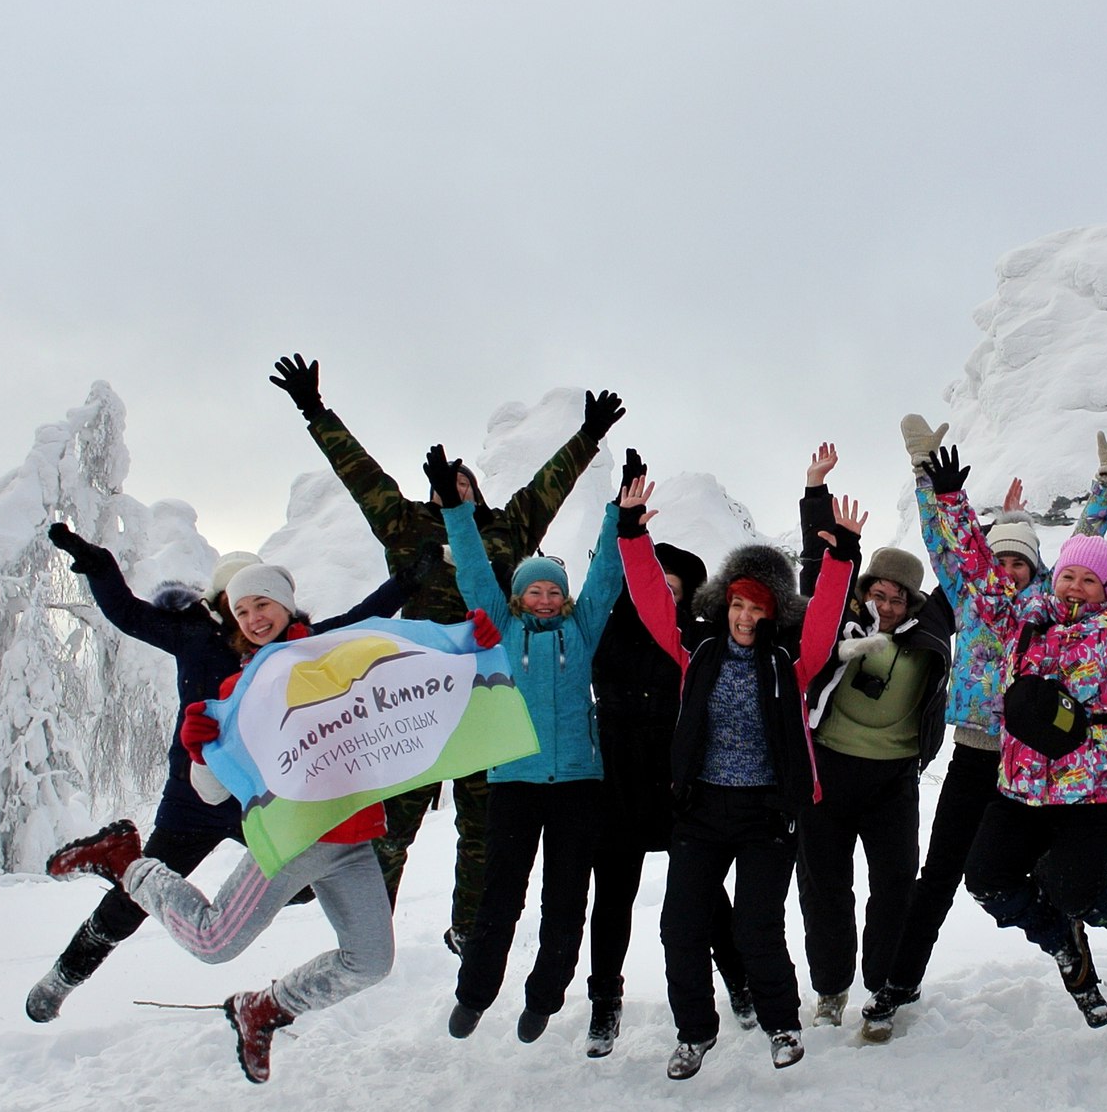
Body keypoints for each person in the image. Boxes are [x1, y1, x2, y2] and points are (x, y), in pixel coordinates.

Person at [266, 354, 622, 942]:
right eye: (444, 484)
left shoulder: (508, 529)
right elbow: (362, 475)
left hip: (488, 698)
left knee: (482, 823)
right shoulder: (406, 527)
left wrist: (588, 435)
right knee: (397, 815)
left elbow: (550, 486)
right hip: (420, 698)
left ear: (476, 491)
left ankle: (470, 929)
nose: (455, 487)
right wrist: (314, 410)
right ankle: (367, 924)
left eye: (464, 481)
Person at [42, 562, 428, 1083]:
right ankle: (126, 862)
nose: (253, 617)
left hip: (354, 836)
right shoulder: (243, 687)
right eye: (242, 610)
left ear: (286, 604)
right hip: (294, 840)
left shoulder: (333, 653)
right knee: (213, 943)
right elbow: (211, 790)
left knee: (371, 962)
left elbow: (401, 662)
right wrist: (201, 748)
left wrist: (473, 648)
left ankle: (264, 1009)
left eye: (262, 604)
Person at [865, 421, 1107, 1035]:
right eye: (999, 559)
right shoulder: (970, 597)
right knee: (940, 878)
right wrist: (924, 469)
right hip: (975, 758)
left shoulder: (1043, 611)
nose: (1007, 570)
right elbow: (943, 539)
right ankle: (898, 985)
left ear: (1036, 572)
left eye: (1020, 562)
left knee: (1052, 881)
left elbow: (1086, 547)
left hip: (1038, 769)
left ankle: (1078, 972)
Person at [615, 473, 860, 1079]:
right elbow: (651, 602)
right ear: (724, 601)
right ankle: (694, 1034)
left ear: (772, 612)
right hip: (699, 811)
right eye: (739, 603)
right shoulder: (694, 652)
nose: (747, 615)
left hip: (765, 815)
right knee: (681, 928)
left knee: (756, 929)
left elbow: (825, 622)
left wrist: (841, 559)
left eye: (759, 606)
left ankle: (782, 1025)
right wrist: (630, 536)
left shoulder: (788, 663)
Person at [928, 444, 1107, 1027]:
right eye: (1069, 575)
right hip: (1020, 787)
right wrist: (951, 504)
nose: (1075, 587)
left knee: (1073, 888)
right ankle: (1063, 943)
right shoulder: (1022, 620)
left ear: (1106, 590)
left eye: (1090, 580)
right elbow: (980, 574)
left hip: (1092, 790)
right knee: (987, 881)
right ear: (1053, 576)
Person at [435, 451, 626, 1047]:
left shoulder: (582, 627)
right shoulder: (502, 627)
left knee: (566, 902)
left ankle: (544, 998)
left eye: (553, 591)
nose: (544, 598)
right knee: (501, 898)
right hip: (513, 782)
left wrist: (620, 514)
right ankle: (475, 994)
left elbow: (606, 579)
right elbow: (471, 572)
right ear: (517, 599)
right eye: (534, 591)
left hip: (576, 784)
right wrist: (456, 511)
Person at [584, 460, 750, 1058]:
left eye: (678, 588)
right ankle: (605, 1002)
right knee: (613, 901)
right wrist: (622, 521)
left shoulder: (694, 642)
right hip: (616, 783)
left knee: (704, 897)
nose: (667, 594)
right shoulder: (602, 629)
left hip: (677, 784)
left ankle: (740, 983)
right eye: (660, 584)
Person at [796, 512, 953, 1033]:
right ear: (864, 593)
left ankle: (883, 987)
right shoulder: (840, 624)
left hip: (893, 780)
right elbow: (817, 578)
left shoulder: (928, 635)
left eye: (897, 598)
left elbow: (974, 577)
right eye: (878, 595)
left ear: (912, 603)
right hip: (829, 773)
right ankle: (830, 989)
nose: (885, 607)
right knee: (825, 887)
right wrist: (816, 501)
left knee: (894, 886)